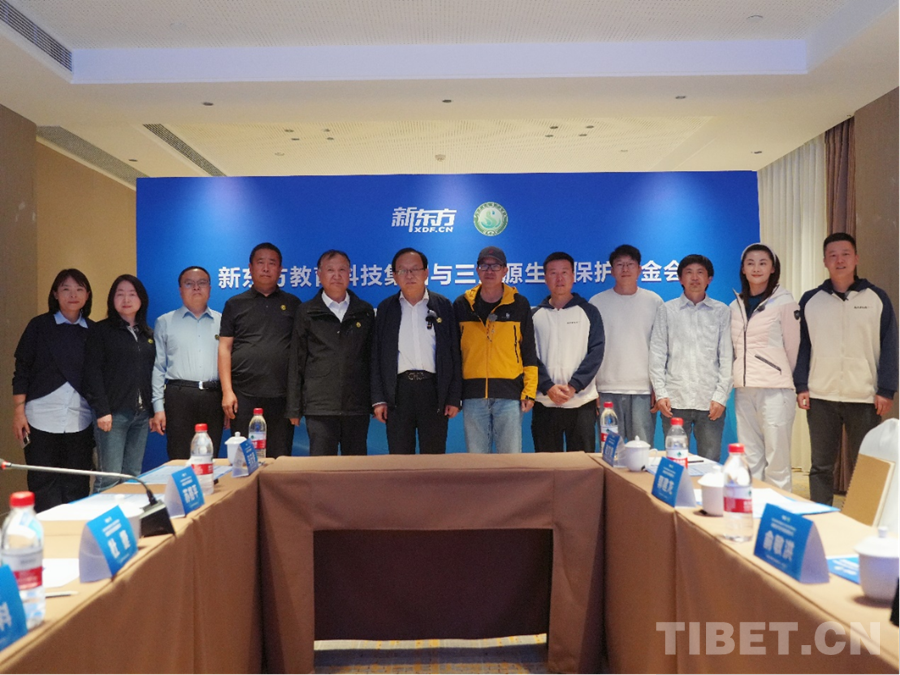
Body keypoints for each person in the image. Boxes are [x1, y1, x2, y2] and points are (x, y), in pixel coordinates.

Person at [794, 232, 898, 505]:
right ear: (824, 261)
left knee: (865, 465)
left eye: (845, 254)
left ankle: (862, 520)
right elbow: (802, 346)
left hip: (864, 397)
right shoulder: (811, 300)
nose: (839, 260)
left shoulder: (877, 298)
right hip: (820, 395)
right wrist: (801, 385)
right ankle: (821, 518)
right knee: (821, 466)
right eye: (833, 255)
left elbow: (890, 345)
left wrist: (886, 389)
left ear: (856, 258)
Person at [12, 269, 96, 512]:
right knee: (42, 482)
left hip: (80, 419)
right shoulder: (39, 326)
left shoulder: (94, 331)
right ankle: (47, 533)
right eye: (66, 289)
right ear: (55, 294)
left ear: (87, 295)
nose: (73, 295)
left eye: (79, 289)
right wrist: (19, 412)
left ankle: (74, 532)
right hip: (40, 417)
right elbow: (22, 370)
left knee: (77, 483)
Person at [371, 248, 462, 454]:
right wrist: (378, 399)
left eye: (415, 269)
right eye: (402, 270)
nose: (409, 275)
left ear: (426, 273)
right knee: (400, 457)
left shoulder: (443, 306)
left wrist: (453, 397)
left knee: (434, 456)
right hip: (398, 392)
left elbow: (454, 354)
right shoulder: (386, 308)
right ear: (394, 276)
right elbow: (376, 357)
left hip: (434, 391)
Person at [287, 250, 375, 455]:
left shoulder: (364, 311)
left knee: (355, 467)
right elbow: (297, 360)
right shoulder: (306, 311)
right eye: (330, 270)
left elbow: (372, 359)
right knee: (322, 467)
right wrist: (293, 407)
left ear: (350, 273)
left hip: (356, 405)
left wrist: (376, 401)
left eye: (342, 270)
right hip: (320, 406)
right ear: (319, 274)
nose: (336, 275)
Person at [219, 243, 301, 458]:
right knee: (243, 459)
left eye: (272, 263)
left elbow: (300, 352)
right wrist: (227, 392)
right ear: (250, 267)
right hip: (243, 395)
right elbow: (224, 348)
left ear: (280, 269)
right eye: (260, 262)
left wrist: (296, 399)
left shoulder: (293, 304)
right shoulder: (234, 304)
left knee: (279, 458)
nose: (266, 268)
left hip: (282, 396)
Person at [453, 246, 537, 453]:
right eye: (484, 266)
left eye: (495, 266)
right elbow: (454, 354)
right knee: (477, 460)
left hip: (509, 395)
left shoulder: (519, 304)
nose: (489, 271)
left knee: (510, 459)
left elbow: (528, 350)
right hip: (473, 396)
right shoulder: (462, 305)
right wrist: (455, 395)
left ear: (505, 270)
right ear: (477, 270)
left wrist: (529, 391)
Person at [730, 244, 800, 491]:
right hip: (744, 390)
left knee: (777, 460)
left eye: (763, 263)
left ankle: (778, 511)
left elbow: (793, 347)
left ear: (772, 268)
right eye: (750, 263)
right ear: (743, 269)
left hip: (775, 390)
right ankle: (754, 508)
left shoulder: (784, 302)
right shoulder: (735, 306)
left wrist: (780, 374)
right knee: (750, 459)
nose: (756, 268)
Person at [649, 254, 733, 461]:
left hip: (710, 401)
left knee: (710, 462)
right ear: (680, 278)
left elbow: (727, 357)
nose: (694, 278)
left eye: (700, 273)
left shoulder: (721, 311)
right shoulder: (667, 310)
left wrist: (721, 397)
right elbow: (657, 354)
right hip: (674, 400)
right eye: (689, 273)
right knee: (675, 463)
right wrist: (661, 394)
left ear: (709, 278)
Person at [83, 275, 156, 491]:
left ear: (141, 299)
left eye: (132, 294)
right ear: (112, 299)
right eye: (120, 294)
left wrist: (153, 411)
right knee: (109, 477)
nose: (126, 299)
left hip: (141, 415)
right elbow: (92, 373)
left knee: (132, 475)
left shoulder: (147, 334)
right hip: (112, 416)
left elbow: (152, 373)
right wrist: (102, 411)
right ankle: (103, 514)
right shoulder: (101, 331)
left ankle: (127, 513)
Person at [531, 252, 605, 452]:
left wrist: (574, 386)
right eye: (553, 273)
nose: (559, 278)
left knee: (582, 464)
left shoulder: (589, 312)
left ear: (573, 276)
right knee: (547, 464)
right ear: (545, 278)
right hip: (545, 402)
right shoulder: (534, 315)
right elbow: (528, 356)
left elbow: (596, 352)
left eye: (564, 272)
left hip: (581, 402)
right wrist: (548, 387)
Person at [589, 244, 663, 444]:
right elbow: (589, 349)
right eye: (619, 264)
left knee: (642, 450)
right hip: (606, 388)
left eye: (630, 264)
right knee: (611, 451)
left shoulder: (654, 302)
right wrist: (592, 388)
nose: (625, 269)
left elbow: (661, 348)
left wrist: (658, 387)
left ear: (640, 269)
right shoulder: (597, 302)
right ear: (612, 271)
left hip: (643, 389)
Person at [150, 266, 224, 460]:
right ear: (180, 290)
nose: (196, 288)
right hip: (179, 397)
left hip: (214, 396)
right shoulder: (165, 322)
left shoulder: (223, 322)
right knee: (179, 456)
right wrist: (158, 408)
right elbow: (158, 367)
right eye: (189, 283)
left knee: (210, 458)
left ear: (210, 288)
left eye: (202, 283)